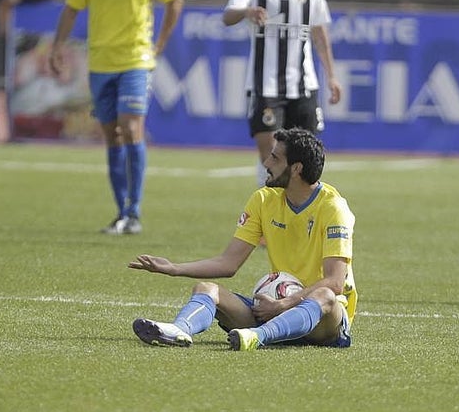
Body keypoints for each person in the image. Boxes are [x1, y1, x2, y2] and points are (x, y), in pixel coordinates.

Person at [129, 128, 356, 351]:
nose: (266, 163)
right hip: (274, 311)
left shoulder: (333, 208)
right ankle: (179, 330)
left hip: (323, 324)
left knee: (325, 295)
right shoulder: (263, 200)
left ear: (296, 168)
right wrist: (174, 268)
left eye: (275, 158)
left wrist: (284, 304)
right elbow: (228, 263)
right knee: (207, 289)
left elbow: (335, 282)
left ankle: (258, 336)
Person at [49, 0, 184, 235]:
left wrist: (160, 43)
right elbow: (71, 9)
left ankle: (134, 211)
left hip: (136, 60)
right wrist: (57, 46)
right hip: (100, 63)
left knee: (131, 126)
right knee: (111, 134)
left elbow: (175, 0)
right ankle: (121, 211)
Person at [223, 0, 341, 186]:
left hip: (304, 85)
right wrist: (246, 12)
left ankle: (302, 221)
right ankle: (269, 222)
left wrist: (331, 76)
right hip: (265, 86)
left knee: (307, 158)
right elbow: (228, 16)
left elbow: (319, 31)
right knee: (272, 156)